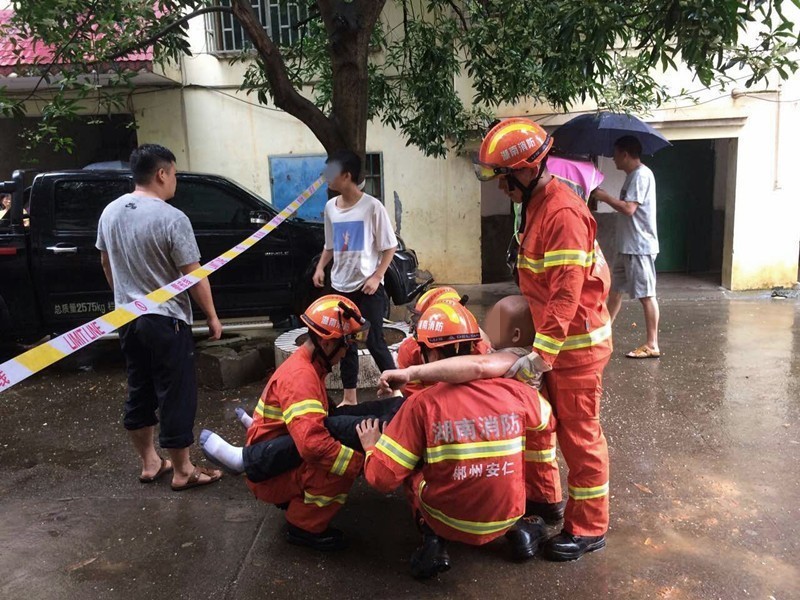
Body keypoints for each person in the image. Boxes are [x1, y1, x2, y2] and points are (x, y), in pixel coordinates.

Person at [472, 117, 613, 561]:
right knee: (542, 425)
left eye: (504, 177)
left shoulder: (562, 213)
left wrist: (540, 357)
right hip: (552, 346)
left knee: (579, 437)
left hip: (576, 349)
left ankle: (588, 528)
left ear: (529, 169)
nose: (501, 187)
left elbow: (566, 295)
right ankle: (547, 499)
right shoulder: (535, 203)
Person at [357, 301, 555, 579]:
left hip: (447, 520)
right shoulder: (518, 392)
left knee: (410, 470)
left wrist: (371, 447)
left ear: (430, 352)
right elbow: (546, 425)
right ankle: (520, 534)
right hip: (507, 513)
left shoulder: (422, 404)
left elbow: (382, 479)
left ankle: (433, 540)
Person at [96, 144, 223, 491]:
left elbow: (106, 262)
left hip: (127, 319)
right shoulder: (172, 217)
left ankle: (150, 462)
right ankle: (183, 470)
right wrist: (212, 316)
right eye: (175, 174)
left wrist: (124, 298)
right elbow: (193, 274)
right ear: (162, 174)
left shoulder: (110, 212)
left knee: (139, 387)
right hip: (166, 320)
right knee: (175, 391)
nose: (175, 181)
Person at [238, 295, 368, 551]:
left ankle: (296, 498)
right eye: (345, 345)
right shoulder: (302, 377)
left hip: (277, 458)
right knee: (335, 465)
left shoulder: (309, 367)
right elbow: (313, 446)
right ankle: (304, 527)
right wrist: (361, 464)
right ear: (326, 343)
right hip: (271, 471)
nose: (346, 352)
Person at [313, 151, 398, 406]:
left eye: (331, 172)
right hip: (340, 286)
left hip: (367, 287)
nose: (326, 177)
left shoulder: (372, 207)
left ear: (346, 176)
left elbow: (389, 246)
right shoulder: (330, 207)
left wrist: (377, 277)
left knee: (374, 341)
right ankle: (350, 397)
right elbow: (330, 245)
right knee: (345, 343)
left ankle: (397, 393)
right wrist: (320, 268)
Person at [592, 135, 661, 358]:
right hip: (627, 246)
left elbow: (629, 209)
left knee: (646, 295)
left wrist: (604, 197)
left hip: (639, 247)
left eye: (615, 154)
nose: (613, 159)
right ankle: (604, 332)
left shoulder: (641, 175)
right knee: (615, 292)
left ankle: (652, 344)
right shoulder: (633, 176)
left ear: (624, 154)